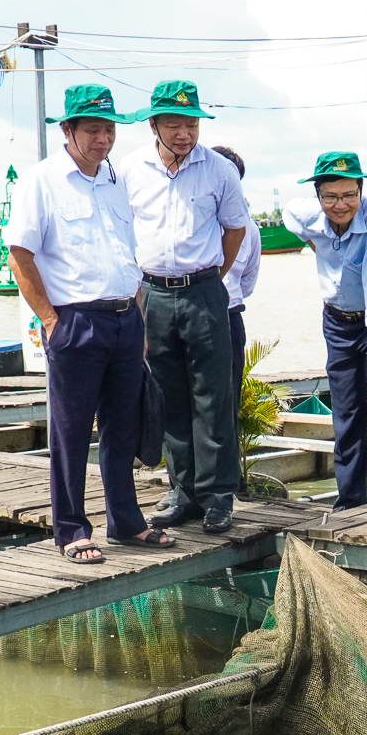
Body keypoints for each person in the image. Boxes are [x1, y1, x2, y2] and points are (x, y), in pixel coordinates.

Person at [5, 85, 171, 564]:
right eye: (94, 129)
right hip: (74, 322)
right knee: (71, 430)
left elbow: (125, 252)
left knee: (123, 426)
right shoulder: (41, 181)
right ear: (68, 130)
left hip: (123, 318)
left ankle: (126, 521)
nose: (103, 139)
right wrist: (51, 319)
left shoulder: (116, 180)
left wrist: (137, 316)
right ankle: (72, 528)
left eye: (110, 129)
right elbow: (19, 255)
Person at [120, 80, 249, 534]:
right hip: (152, 293)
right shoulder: (129, 169)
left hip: (204, 290)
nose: (184, 133)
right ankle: (182, 490)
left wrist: (211, 277)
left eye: (191, 123)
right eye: (173, 124)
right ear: (152, 124)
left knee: (213, 395)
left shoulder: (218, 170)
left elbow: (235, 229)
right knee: (167, 392)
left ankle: (218, 496)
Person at [283, 152, 367, 517]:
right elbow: (292, 215)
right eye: (331, 197)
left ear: (361, 191)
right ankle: (350, 496)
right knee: (346, 406)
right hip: (336, 321)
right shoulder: (306, 214)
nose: (341, 205)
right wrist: (318, 244)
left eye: (350, 195)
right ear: (318, 196)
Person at [213, 146, 259, 492]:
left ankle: (227, 486)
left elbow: (247, 281)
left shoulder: (248, 229)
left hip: (228, 316)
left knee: (226, 402)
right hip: (178, 310)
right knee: (178, 398)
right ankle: (185, 487)